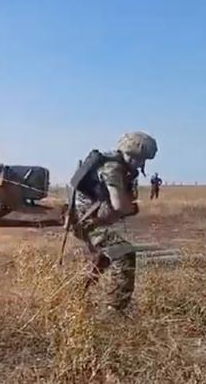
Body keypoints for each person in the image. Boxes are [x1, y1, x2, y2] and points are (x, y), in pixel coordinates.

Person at [67, 131, 158, 311]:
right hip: (86, 221)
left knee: (102, 258)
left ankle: (74, 298)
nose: (140, 163)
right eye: (140, 159)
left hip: (90, 219)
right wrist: (131, 208)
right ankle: (115, 309)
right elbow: (119, 205)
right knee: (124, 254)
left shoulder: (118, 166)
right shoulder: (112, 168)